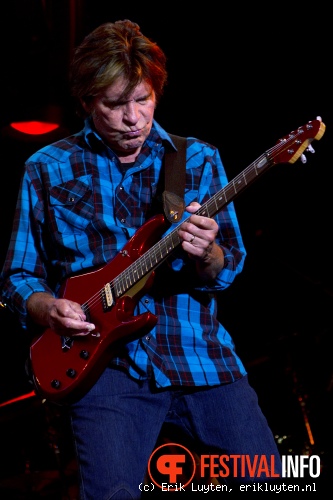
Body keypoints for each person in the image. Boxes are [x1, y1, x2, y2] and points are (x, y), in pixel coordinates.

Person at [0, 20, 283, 498]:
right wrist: (49, 308)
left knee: (271, 483)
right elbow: (18, 277)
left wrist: (206, 252)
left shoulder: (196, 160)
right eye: (114, 104)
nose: (133, 117)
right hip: (105, 368)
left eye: (143, 99)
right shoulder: (45, 169)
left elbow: (227, 266)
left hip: (200, 356)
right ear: (88, 102)